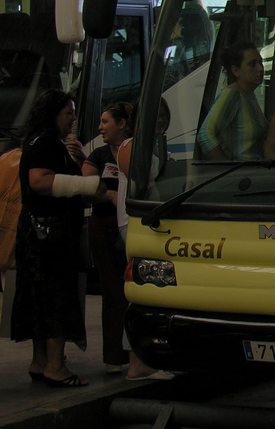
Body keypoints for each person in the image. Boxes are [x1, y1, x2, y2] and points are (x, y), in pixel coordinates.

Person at [10, 90, 106, 388]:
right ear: (52, 114)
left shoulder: (37, 140)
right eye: (68, 112)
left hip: (36, 233)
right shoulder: (48, 143)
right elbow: (39, 181)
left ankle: (40, 362)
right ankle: (56, 366)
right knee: (57, 298)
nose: (73, 118)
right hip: (51, 237)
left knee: (39, 300)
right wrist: (87, 185)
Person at [114, 98, 174, 381]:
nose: (160, 120)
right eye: (155, 115)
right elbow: (143, 182)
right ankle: (136, 361)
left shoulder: (156, 147)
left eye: (163, 115)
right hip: (135, 225)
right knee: (142, 289)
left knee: (153, 288)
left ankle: (145, 358)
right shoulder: (131, 146)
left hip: (152, 225)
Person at [80, 101, 132, 375]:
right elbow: (87, 186)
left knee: (136, 293)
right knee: (113, 293)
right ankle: (114, 358)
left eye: (105, 122)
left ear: (122, 124)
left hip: (133, 230)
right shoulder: (98, 155)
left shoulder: (135, 150)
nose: (100, 127)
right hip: (104, 230)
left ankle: (139, 355)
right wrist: (110, 195)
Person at [197, 41, 268, 160]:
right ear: (236, 71)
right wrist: (226, 167)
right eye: (252, 64)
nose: (260, 68)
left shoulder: (249, 95)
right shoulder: (232, 94)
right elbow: (205, 135)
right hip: (241, 170)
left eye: (260, 63)